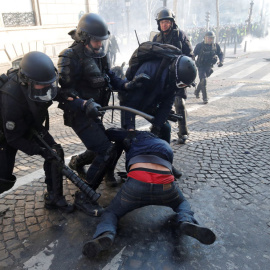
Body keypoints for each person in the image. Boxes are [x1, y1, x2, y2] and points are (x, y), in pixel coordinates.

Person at [57, 13, 148, 217]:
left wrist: (126, 84)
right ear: (83, 37)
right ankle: (84, 197)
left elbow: (109, 76)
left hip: (95, 112)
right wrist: (83, 103)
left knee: (107, 145)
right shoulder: (69, 56)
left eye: (101, 40)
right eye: (96, 40)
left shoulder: (99, 52)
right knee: (105, 149)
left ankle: (78, 163)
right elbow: (62, 93)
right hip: (79, 114)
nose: (99, 44)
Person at [82, 129, 216, 258]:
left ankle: (106, 233)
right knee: (182, 203)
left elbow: (110, 132)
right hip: (165, 185)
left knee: (111, 212)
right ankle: (185, 220)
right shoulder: (164, 145)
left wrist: (127, 132)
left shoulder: (134, 136)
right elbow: (173, 171)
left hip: (136, 183)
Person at [0, 51, 74, 213]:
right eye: (43, 84)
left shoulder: (40, 83)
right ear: (27, 82)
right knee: (3, 178)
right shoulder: (10, 98)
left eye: (49, 83)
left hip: (29, 123)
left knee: (55, 152)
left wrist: (64, 95)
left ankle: (54, 198)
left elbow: (47, 90)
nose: (47, 87)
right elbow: (13, 139)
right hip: (6, 135)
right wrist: (39, 150)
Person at [120, 49, 197, 178]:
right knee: (127, 138)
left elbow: (166, 105)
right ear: (177, 76)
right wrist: (130, 127)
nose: (183, 87)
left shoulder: (174, 80)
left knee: (165, 128)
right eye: (183, 84)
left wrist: (157, 126)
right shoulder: (148, 71)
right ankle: (130, 172)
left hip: (150, 102)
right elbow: (130, 102)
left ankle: (165, 163)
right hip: (131, 101)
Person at [152, 8, 194, 144]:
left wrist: (188, 77)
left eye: (167, 22)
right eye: (162, 22)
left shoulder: (180, 36)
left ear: (172, 22)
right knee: (158, 104)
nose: (164, 24)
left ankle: (183, 132)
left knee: (179, 103)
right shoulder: (156, 38)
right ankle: (157, 128)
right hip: (163, 77)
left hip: (178, 75)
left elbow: (190, 56)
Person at [193, 31, 224, 104]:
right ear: (205, 38)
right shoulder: (199, 46)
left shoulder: (216, 46)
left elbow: (220, 54)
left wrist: (221, 61)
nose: (210, 40)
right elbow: (193, 55)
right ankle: (205, 98)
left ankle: (197, 91)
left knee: (203, 81)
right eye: (208, 38)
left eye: (211, 38)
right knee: (203, 80)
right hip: (201, 66)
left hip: (209, 66)